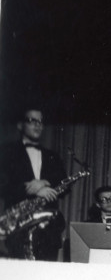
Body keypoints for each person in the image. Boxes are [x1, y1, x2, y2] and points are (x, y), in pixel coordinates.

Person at [0, 107, 67, 261]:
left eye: (40, 122)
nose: (38, 125)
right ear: (19, 125)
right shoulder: (6, 151)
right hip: (19, 228)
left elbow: (64, 183)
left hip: (49, 232)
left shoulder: (52, 155)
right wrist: (29, 189)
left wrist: (45, 183)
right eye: (32, 120)